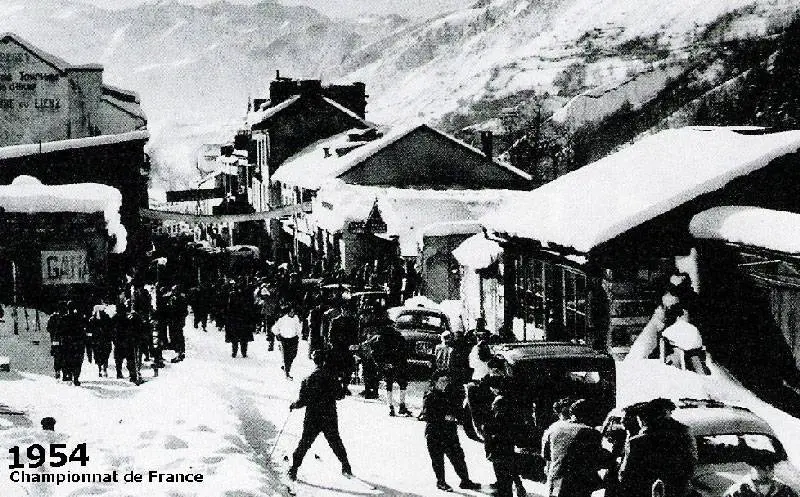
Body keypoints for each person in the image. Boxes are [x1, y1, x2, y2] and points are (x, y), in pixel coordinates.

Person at [288, 350, 353, 481]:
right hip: (329, 415)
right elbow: (339, 395)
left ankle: (293, 469)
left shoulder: (308, 379)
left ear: (314, 361)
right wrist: (343, 387)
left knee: (305, 442)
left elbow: (302, 401)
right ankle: (346, 466)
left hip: (312, 416)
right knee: (335, 441)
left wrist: (293, 405)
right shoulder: (332, 377)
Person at [618, 399, 697, 497]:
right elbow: (691, 464)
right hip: (679, 491)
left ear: (647, 418)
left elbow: (624, 476)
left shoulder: (636, 442)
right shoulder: (684, 434)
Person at [420, 371, 481, 492]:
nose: (444, 384)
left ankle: (465, 480)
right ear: (435, 382)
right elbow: (426, 414)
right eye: (442, 381)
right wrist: (444, 417)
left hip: (449, 431)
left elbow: (457, 410)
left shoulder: (450, 393)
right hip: (434, 432)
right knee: (438, 459)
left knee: (458, 456)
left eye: (446, 381)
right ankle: (441, 482)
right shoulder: (430, 395)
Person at [541, 399, 605, 497]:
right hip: (578, 485)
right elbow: (596, 461)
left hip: (556, 481)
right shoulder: (591, 433)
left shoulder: (553, 428)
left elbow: (546, 456)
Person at [484, 376, 526, 497]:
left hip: (498, 442)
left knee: (501, 470)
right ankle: (518, 486)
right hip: (508, 440)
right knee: (510, 465)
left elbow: (496, 422)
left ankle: (505, 491)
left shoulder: (499, 401)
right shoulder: (509, 398)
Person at [362, 312, 411, 415]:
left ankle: (391, 407)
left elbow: (374, 353)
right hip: (398, 364)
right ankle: (401, 406)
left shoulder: (378, 337)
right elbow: (404, 351)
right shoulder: (398, 336)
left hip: (387, 364)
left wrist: (381, 364)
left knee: (389, 385)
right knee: (402, 384)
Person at [724, 451, 799, 497]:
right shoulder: (737, 491)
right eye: (761, 467)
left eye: (770, 467)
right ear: (751, 469)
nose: (767, 472)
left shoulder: (785, 491)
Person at [225, 281, 257, 358]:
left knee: (236, 337)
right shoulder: (247, 295)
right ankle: (242, 352)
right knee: (243, 337)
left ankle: (235, 352)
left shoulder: (233, 295)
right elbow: (251, 307)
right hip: (243, 319)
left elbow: (229, 307)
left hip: (236, 318)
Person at [273, 306, 302, 379]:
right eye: (290, 312)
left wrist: (299, 334)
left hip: (294, 339)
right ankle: (287, 373)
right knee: (286, 356)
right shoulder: (282, 319)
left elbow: (299, 328)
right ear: (288, 312)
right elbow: (274, 329)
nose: (292, 313)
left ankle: (286, 366)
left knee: (293, 355)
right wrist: (278, 335)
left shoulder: (296, 318)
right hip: (284, 340)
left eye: (293, 312)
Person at [47, 302, 67, 380]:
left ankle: (57, 371)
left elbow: (48, 328)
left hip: (55, 339)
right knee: (64, 355)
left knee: (57, 356)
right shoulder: (65, 317)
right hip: (64, 340)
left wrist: (53, 333)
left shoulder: (53, 317)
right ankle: (63, 372)